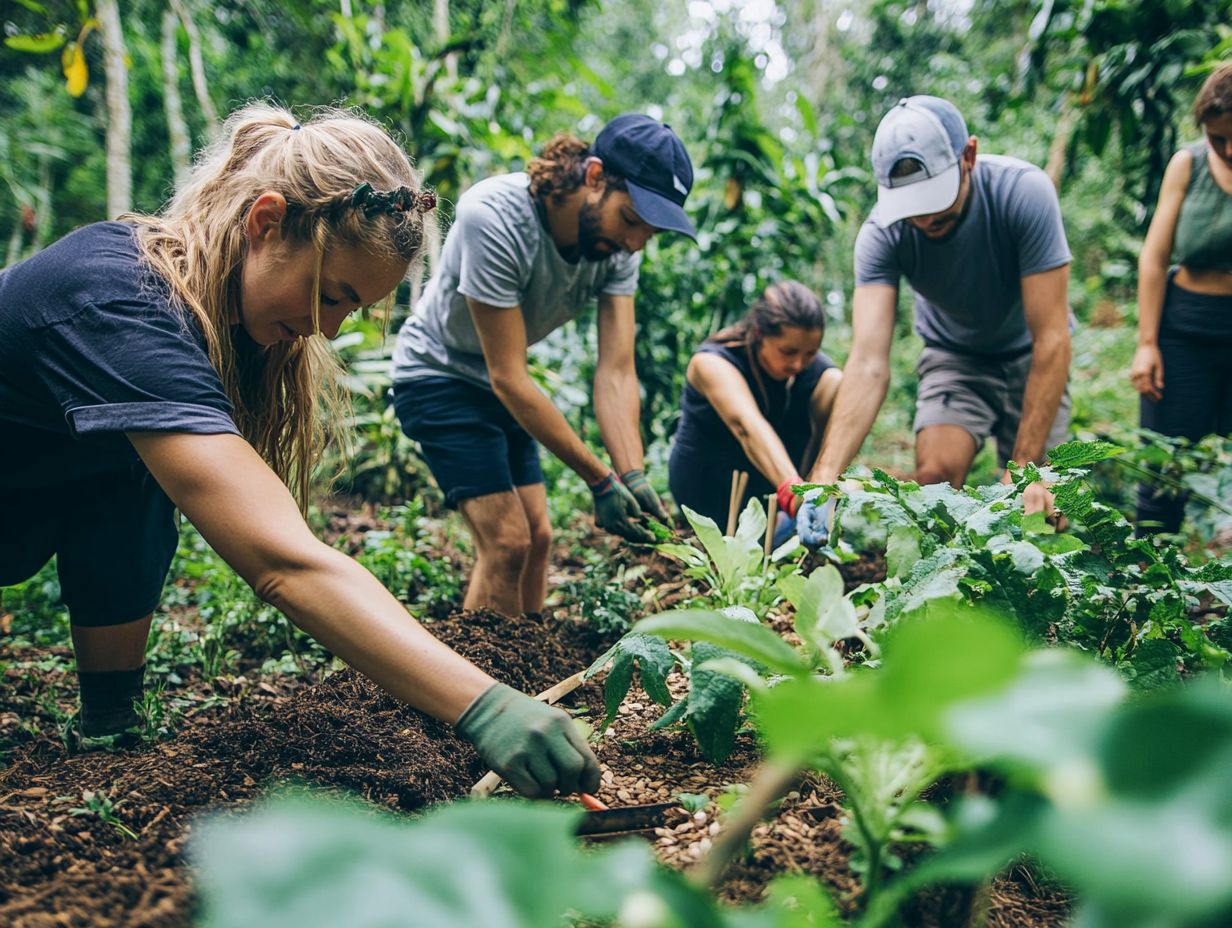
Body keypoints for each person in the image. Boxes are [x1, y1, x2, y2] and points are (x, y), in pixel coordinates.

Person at [0, 103, 599, 800]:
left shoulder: (202, 324)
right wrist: (485, 703)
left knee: (137, 473)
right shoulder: (121, 302)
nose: (332, 329)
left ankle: (111, 722)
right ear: (265, 223)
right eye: (334, 295)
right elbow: (283, 561)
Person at [390, 114, 696, 615]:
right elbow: (508, 377)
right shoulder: (494, 216)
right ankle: (471, 688)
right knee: (507, 543)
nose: (637, 242)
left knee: (539, 535)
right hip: (438, 374)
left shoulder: (620, 247)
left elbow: (616, 372)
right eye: (632, 220)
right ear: (595, 176)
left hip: (499, 383)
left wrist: (632, 474)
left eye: (651, 231)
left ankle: (531, 666)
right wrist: (600, 481)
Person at [797, 94, 1073, 545]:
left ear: (969, 155)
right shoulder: (882, 235)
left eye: (933, 199)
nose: (924, 218)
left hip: (1033, 355)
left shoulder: (1023, 193)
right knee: (935, 482)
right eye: (911, 206)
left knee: (1043, 510)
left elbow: (1052, 339)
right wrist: (825, 476)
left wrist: (1026, 469)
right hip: (955, 356)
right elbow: (867, 363)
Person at [1132, 62, 1232, 535]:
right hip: (1183, 329)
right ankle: (1154, 592)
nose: (1229, 149)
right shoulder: (1187, 165)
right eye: (1217, 138)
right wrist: (1146, 342)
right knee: (1162, 468)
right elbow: (1154, 259)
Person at [668, 281, 842, 539]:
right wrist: (793, 492)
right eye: (788, 351)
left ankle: (797, 518)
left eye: (810, 354)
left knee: (836, 383)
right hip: (708, 488)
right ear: (760, 333)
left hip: (770, 494)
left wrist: (817, 493)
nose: (798, 363)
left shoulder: (816, 374)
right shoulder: (712, 362)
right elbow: (747, 426)